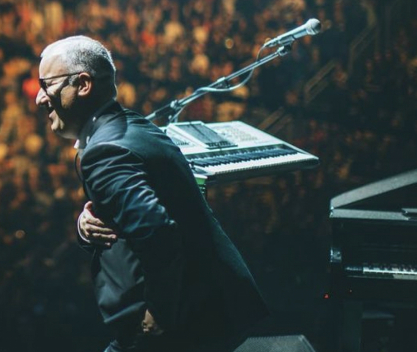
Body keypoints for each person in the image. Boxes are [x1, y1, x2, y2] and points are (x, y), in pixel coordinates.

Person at [35, 36, 268, 352]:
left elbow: (158, 231)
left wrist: (158, 312)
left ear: (83, 84)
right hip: (212, 305)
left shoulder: (105, 151)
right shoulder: (133, 126)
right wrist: (85, 225)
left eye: (46, 84)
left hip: (180, 324)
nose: (39, 98)